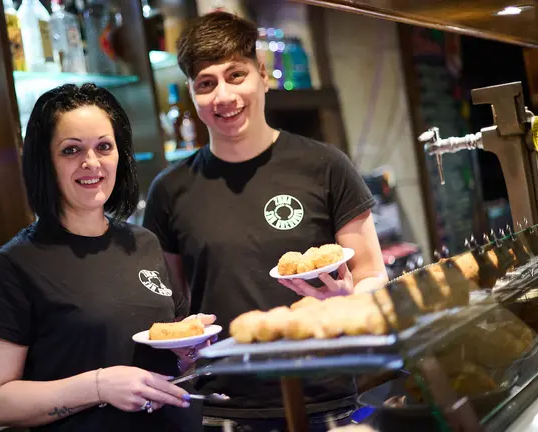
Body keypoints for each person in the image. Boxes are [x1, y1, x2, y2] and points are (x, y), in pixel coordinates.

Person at [142, 11, 388, 432]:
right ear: (191, 93)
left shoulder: (324, 165)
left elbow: (372, 274)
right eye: (206, 83)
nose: (223, 96)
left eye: (235, 75)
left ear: (262, 75)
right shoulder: (169, 190)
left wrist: (350, 296)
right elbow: (174, 305)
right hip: (224, 409)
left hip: (327, 404)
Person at [0, 83, 214, 432]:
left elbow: (172, 359)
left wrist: (189, 351)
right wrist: (100, 386)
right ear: (45, 162)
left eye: (104, 146)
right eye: (71, 150)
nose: (91, 163)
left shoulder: (143, 243)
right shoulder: (16, 264)